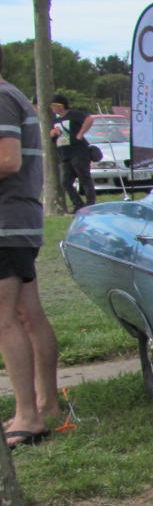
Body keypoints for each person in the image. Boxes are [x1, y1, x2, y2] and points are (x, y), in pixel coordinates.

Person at [0, 48, 60, 447]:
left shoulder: (1, 97)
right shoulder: (11, 94)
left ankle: (28, 416)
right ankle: (46, 403)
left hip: (5, 223)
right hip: (17, 222)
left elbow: (7, 159)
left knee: (3, 320)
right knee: (26, 314)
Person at [49, 94, 94, 210]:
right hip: (64, 154)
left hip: (79, 151)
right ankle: (78, 204)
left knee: (84, 178)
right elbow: (53, 136)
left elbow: (89, 119)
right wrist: (53, 134)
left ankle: (90, 204)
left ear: (60, 106)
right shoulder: (56, 119)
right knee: (65, 181)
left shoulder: (74, 114)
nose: (52, 108)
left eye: (53, 106)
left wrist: (80, 134)